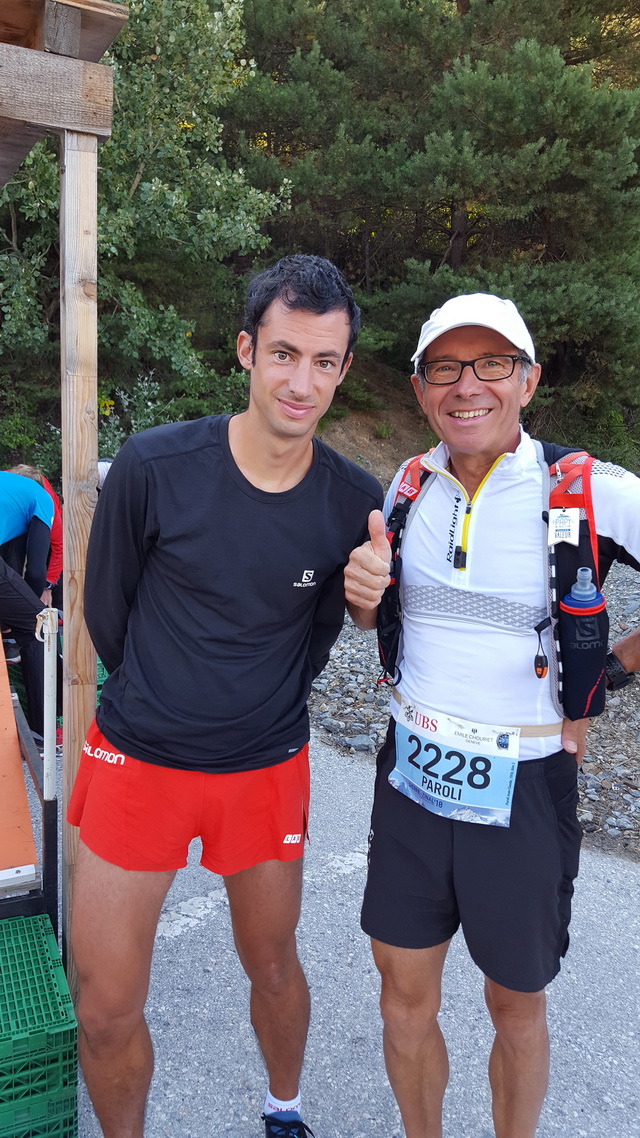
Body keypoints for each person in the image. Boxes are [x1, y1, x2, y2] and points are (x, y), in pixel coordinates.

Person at [67, 254, 383, 1138]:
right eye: (284, 353)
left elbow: (334, 631)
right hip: (138, 758)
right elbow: (109, 607)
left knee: (274, 964)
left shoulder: (353, 502)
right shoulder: (156, 465)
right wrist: (169, 702)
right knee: (104, 1004)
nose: (301, 380)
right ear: (246, 349)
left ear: (345, 369)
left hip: (264, 769)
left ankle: (283, 1108)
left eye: (325, 361)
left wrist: (360, 615)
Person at [344, 292, 640, 1138]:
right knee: (402, 1000)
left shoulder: (585, 488)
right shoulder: (408, 486)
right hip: (410, 773)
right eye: (445, 366)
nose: (466, 385)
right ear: (419, 387)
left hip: (526, 784)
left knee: (515, 1005)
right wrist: (362, 602)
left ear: (528, 380)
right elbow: (378, 615)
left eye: (492, 364)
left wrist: (609, 677)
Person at [0, 468, 54, 736]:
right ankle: (42, 732)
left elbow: (10, 565)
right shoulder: (41, 496)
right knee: (39, 626)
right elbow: (34, 571)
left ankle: (9, 639)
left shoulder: (8, 495)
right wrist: (33, 608)